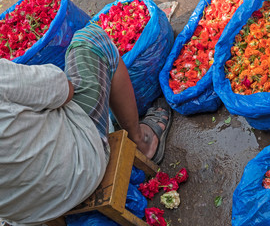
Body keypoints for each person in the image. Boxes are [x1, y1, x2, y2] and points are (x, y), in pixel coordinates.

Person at [0, 24, 172, 225]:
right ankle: (143, 141)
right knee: (92, 39)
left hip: (26, 214)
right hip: (80, 169)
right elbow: (65, 90)